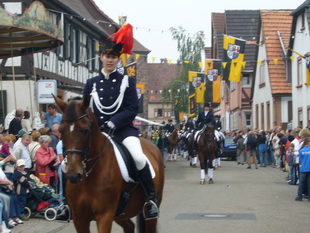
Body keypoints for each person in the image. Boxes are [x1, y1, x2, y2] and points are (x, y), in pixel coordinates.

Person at [83, 24, 159, 220]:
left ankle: (150, 199)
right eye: (107, 56)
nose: (110, 60)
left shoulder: (127, 81)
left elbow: (132, 108)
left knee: (140, 158)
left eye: (114, 57)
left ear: (118, 59)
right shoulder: (91, 83)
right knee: (69, 161)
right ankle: (67, 202)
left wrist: (114, 122)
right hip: (97, 131)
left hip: (122, 131)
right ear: (101, 57)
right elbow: (86, 108)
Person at [295, 137, 310, 201]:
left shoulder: (301, 150)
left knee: (301, 183)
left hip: (303, 168)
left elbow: (300, 160)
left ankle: (299, 196)